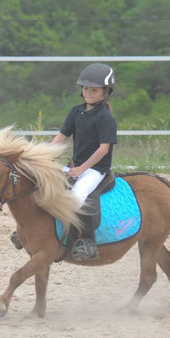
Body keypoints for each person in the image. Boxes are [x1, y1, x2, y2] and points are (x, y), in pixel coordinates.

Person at [51, 63, 118, 260]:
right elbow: (61, 136)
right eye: (86, 88)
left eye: (94, 90)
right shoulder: (75, 112)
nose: (88, 93)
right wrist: (46, 155)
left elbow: (103, 149)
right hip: (73, 165)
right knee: (46, 185)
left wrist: (81, 169)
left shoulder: (106, 119)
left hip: (95, 169)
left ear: (106, 92)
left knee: (78, 197)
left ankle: (88, 242)